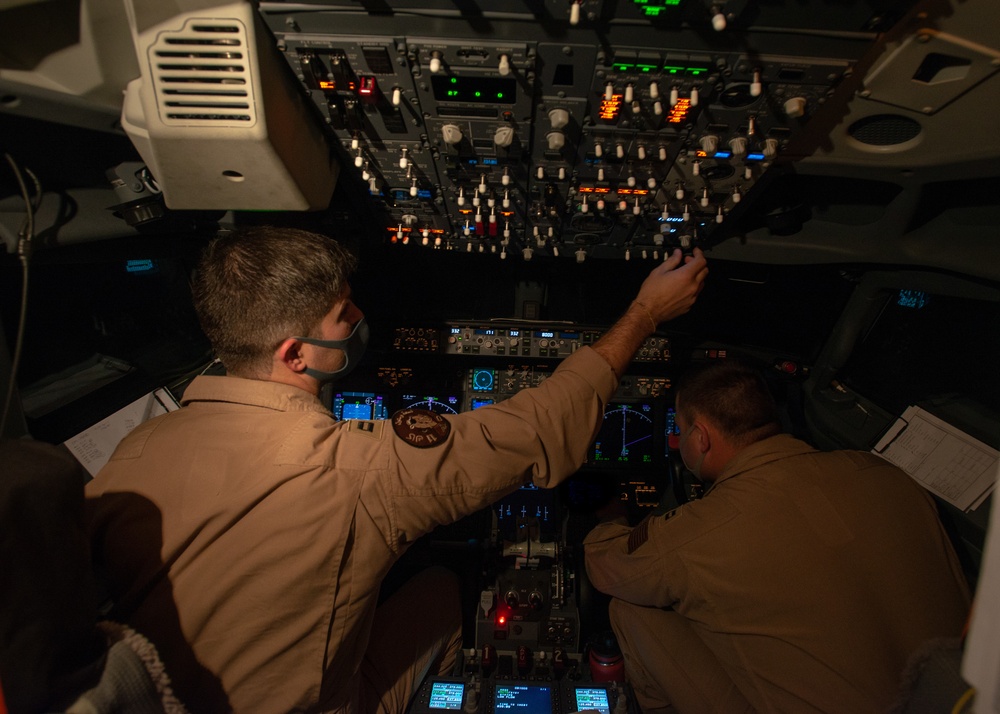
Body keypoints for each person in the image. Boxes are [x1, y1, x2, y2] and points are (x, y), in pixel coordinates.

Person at [84, 225, 708, 713]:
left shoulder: (136, 449)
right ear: (295, 353)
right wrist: (644, 315)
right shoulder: (352, 468)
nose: (357, 321)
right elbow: (543, 428)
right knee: (443, 590)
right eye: (341, 314)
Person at [583, 358, 972, 714]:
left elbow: (608, 568)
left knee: (630, 604)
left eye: (679, 431)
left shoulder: (703, 529)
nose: (676, 442)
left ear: (701, 438)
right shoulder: (886, 475)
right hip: (953, 697)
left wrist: (611, 518)